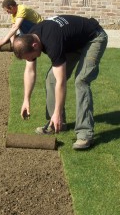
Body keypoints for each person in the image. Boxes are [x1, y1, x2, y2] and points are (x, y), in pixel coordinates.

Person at [13, 15, 108, 150]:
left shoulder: (52, 42)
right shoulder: (30, 37)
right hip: (73, 43)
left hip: (94, 38)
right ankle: (57, 124)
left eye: (30, 57)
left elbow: (61, 81)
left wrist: (57, 111)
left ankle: (85, 134)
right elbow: (29, 71)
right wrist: (26, 100)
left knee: (81, 81)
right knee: (51, 78)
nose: (31, 59)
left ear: (35, 45)